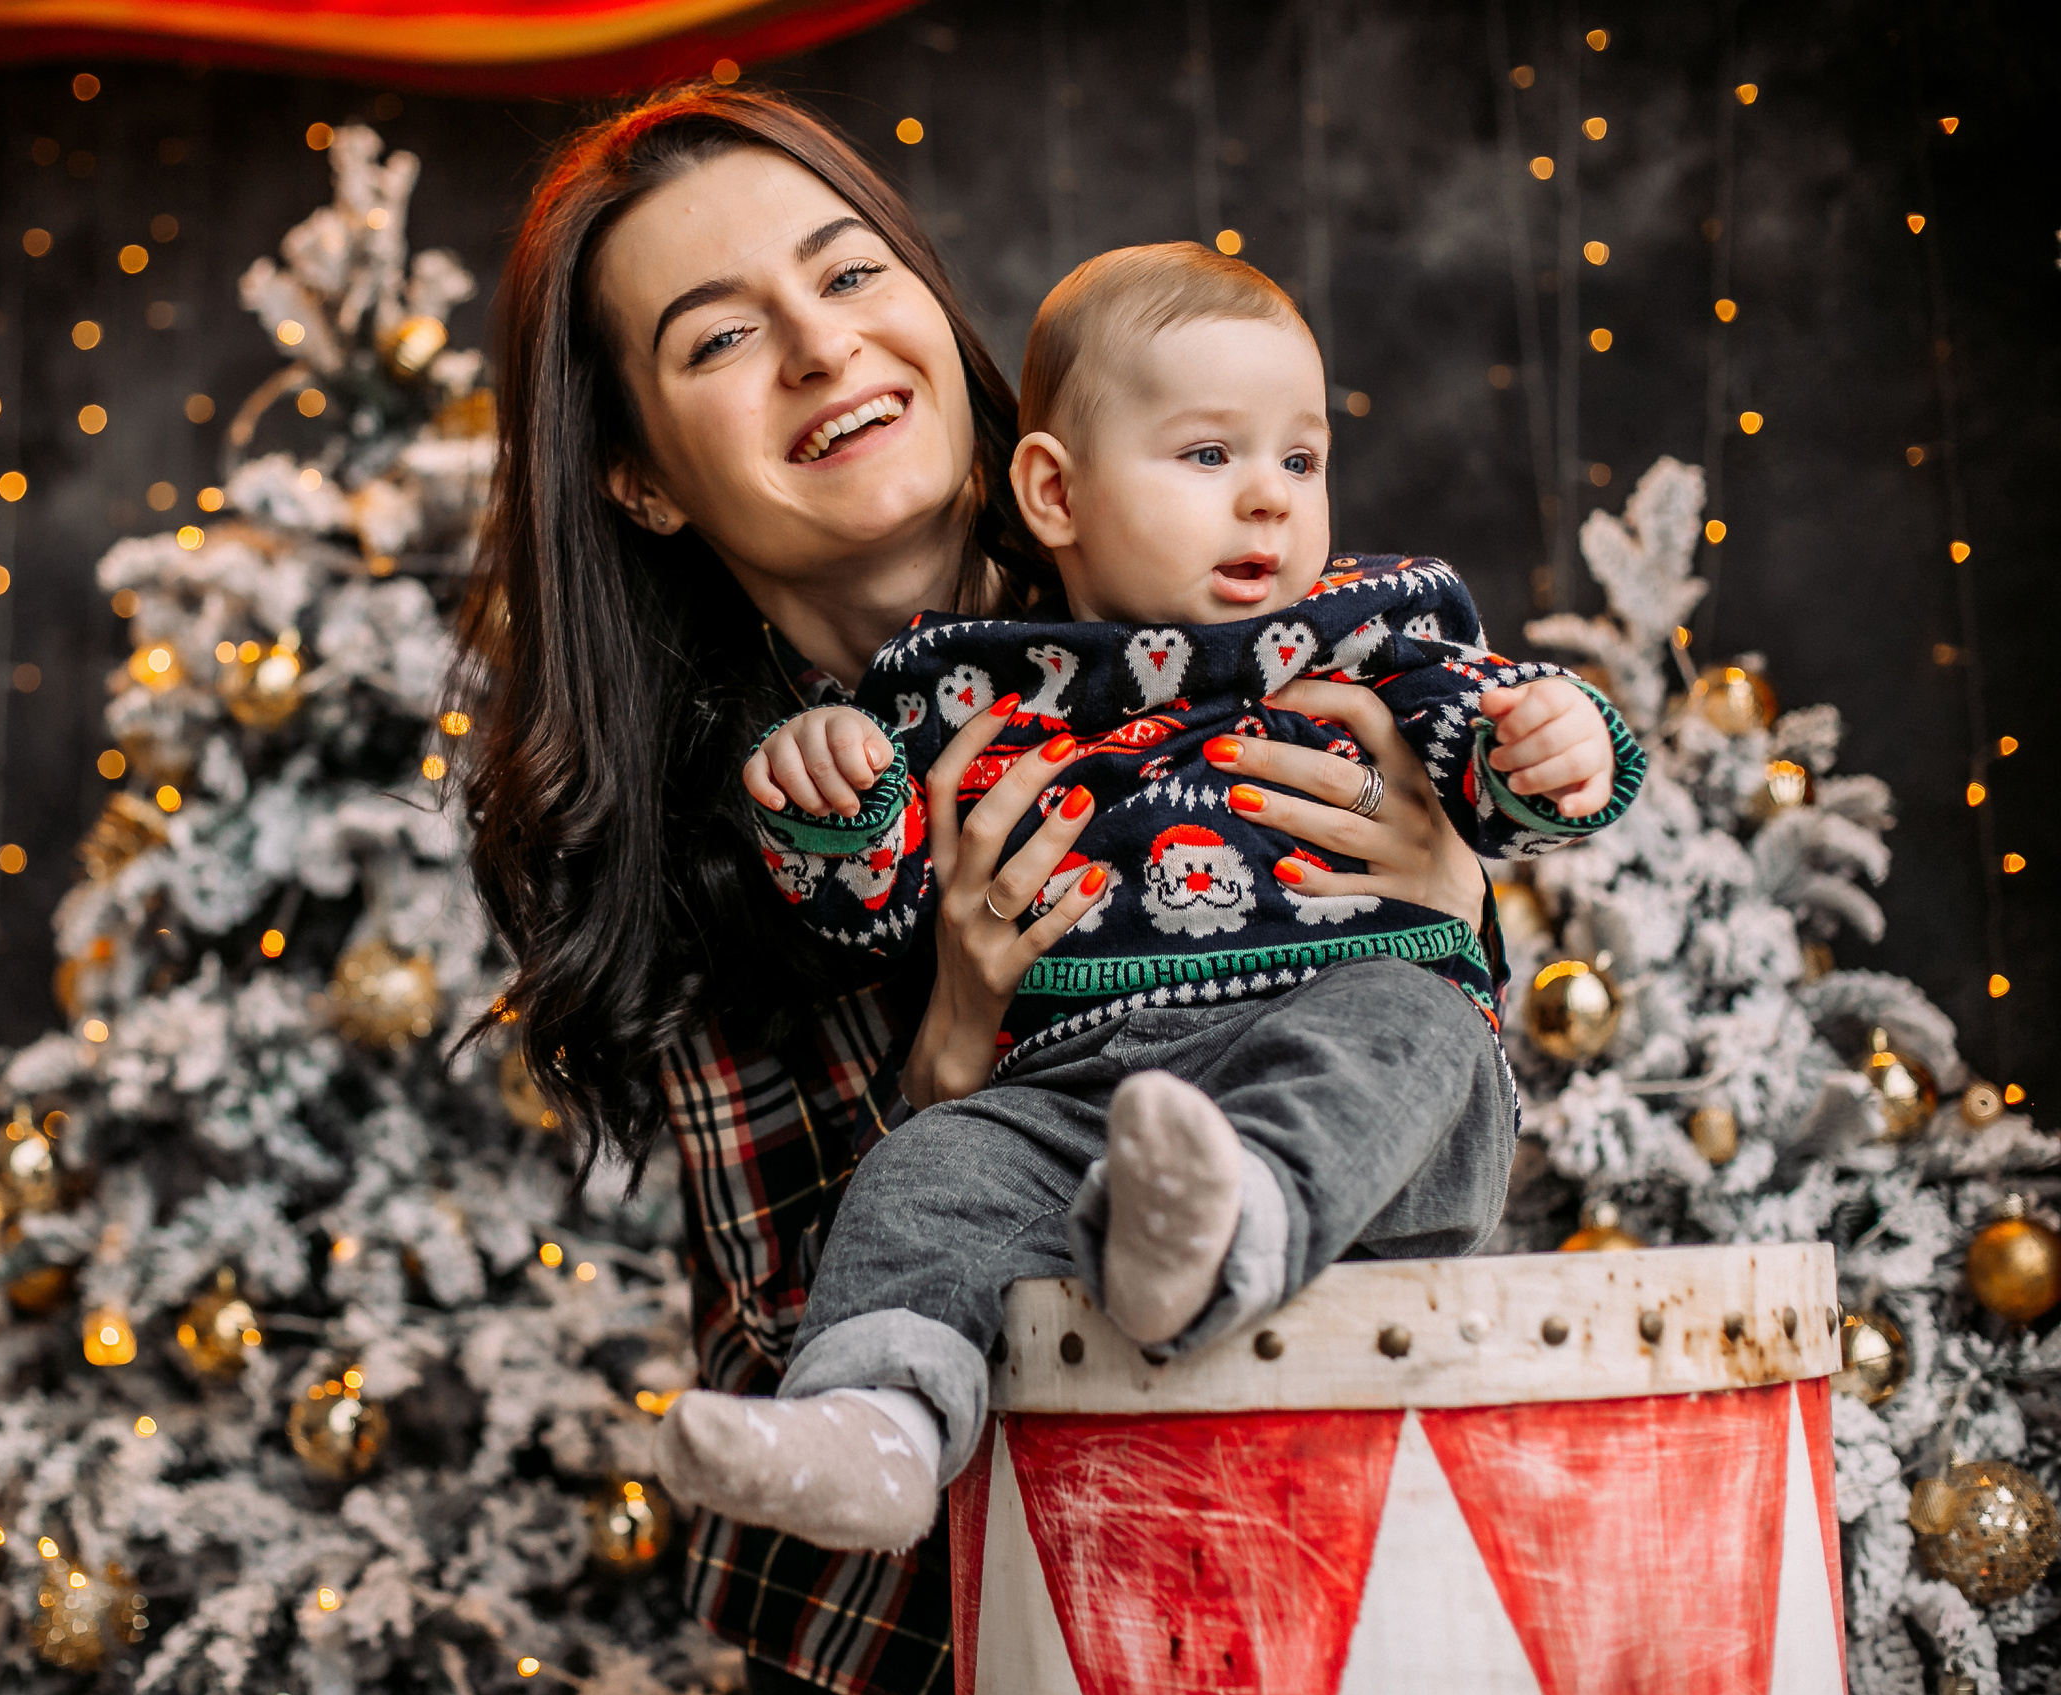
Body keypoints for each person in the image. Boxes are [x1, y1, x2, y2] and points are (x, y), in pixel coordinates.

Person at [458, 87, 1509, 1695]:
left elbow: (1440, 1109)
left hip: (1303, 1548)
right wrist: (952, 1048)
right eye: (721, 338)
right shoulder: (693, 822)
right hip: (928, 1637)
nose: (823, 349)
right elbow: (784, 1332)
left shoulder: (1201, 584)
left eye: (849, 274)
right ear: (641, 477)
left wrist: (1449, 897)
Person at [654, 243, 1644, 1553]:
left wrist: (1555, 745)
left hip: (1348, 1102)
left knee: (1413, 1019)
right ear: (1056, 492)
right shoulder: (971, 687)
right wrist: (834, 797)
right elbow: (869, 909)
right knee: (929, 1169)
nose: (1269, 498)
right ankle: (879, 1427)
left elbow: (1492, 753)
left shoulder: (1367, 632)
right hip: (1073, 1106)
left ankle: (1228, 1222)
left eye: (1301, 460)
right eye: (1209, 455)